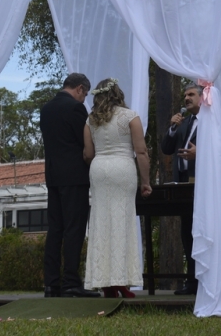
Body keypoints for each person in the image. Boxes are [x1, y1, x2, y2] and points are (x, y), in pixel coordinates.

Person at [82, 78, 152, 298]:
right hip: (123, 168)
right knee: (123, 220)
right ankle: (120, 280)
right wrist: (146, 182)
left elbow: (88, 154)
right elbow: (141, 152)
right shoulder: (130, 116)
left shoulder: (90, 120)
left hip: (100, 169)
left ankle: (106, 283)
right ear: (118, 93)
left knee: (101, 222)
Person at [40, 73, 100, 298]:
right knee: (74, 228)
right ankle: (72, 282)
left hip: (53, 176)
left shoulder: (46, 109)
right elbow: (84, 142)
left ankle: (51, 283)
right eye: (84, 95)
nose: (84, 99)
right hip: (74, 176)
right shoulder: (76, 109)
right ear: (80, 89)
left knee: (55, 229)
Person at [160, 83, 202, 295]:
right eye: (185, 95)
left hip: (205, 184)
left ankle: (207, 279)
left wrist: (200, 154)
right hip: (184, 184)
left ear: (203, 97)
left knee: (203, 231)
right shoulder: (184, 123)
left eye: (191, 94)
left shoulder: (218, 120)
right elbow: (167, 149)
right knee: (187, 231)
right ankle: (192, 281)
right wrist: (172, 128)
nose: (186, 98)